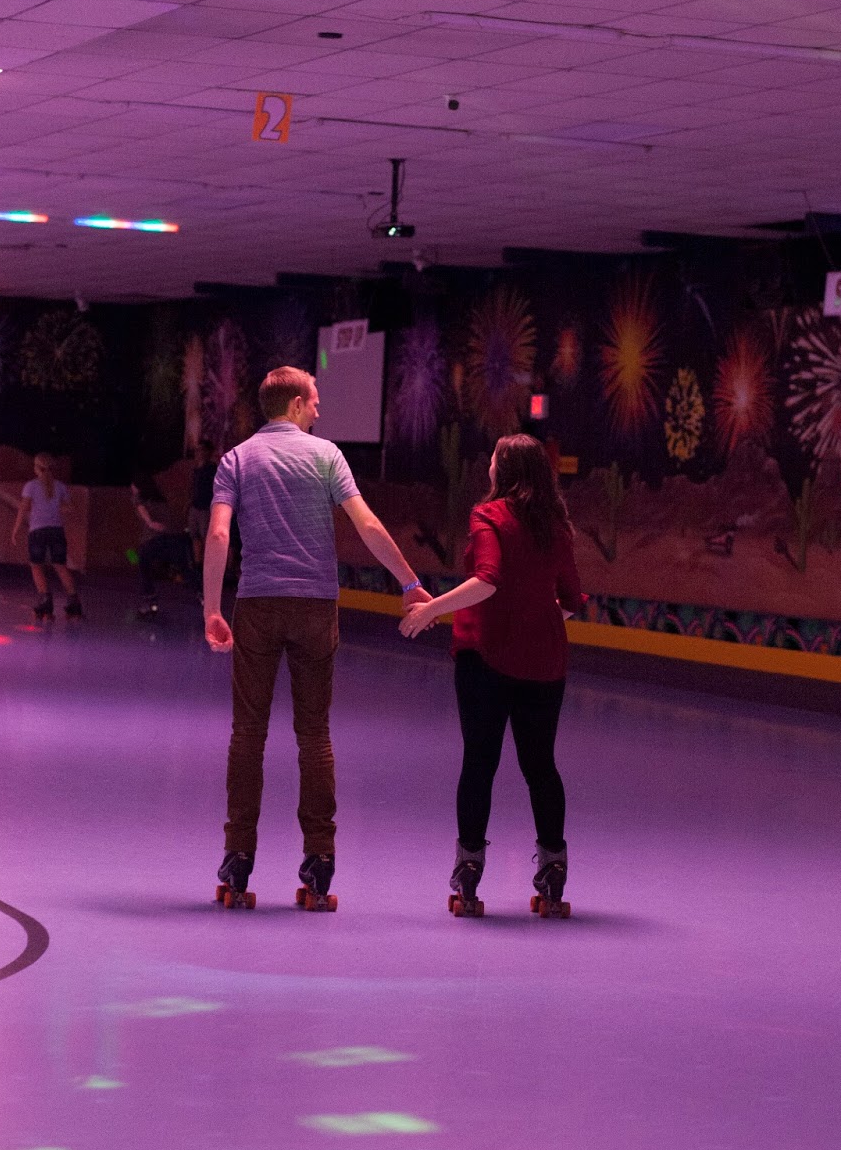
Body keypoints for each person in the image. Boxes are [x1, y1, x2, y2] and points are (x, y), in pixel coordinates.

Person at [203, 365, 429, 910]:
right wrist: (410, 582)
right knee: (315, 736)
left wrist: (212, 607)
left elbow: (217, 532)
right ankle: (320, 860)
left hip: (256, 603)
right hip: (315, 606)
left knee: (247, 734)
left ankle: (238, 858)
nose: (320, 411)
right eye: (317, 401)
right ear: (298, 404)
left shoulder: (236, 460)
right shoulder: (327, 456)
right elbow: (368, 524)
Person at [400, 434, 583, 917]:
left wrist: (428, 611)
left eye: (495, 459)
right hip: (545, 663)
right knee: (540, 765)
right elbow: (570, 602)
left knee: (480, 762)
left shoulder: (490, 516)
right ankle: (553, 866)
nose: (488, 467)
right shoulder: (556, 527)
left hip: (486, 659)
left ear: (505, 469)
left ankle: (469, 869)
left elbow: (488, 578)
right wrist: (534, 620)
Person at [12, 453, 83, 621]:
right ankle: (74, 602)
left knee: (36, 566)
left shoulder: (31, 486)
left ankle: (45, 601)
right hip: (56, 531)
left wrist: (15, 529)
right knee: (60, 565)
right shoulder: (60, 486)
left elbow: (23, 508)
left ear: (37, 468)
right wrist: (55, 509)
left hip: (38, 531)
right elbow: (69, 508)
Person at [131, 472, 196, 619]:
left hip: (152, 541)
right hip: (172, 539)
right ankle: (203, 596)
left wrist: (149, 523)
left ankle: (149, 603)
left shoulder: (139, 499)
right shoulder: (161, 500)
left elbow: (140, 507)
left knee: (143, 568)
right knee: (186, 569)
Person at [187, 440, 218, 570]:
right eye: (197, 450)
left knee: (205, 536)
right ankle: (197, 563)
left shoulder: (212, 469)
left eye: (201, 450)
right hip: (195, 506)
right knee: (194, 535)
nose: (198, 453)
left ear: (207, 452)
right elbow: (193, 488)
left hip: (205, 507)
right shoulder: (196, 469)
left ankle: (208, 564)